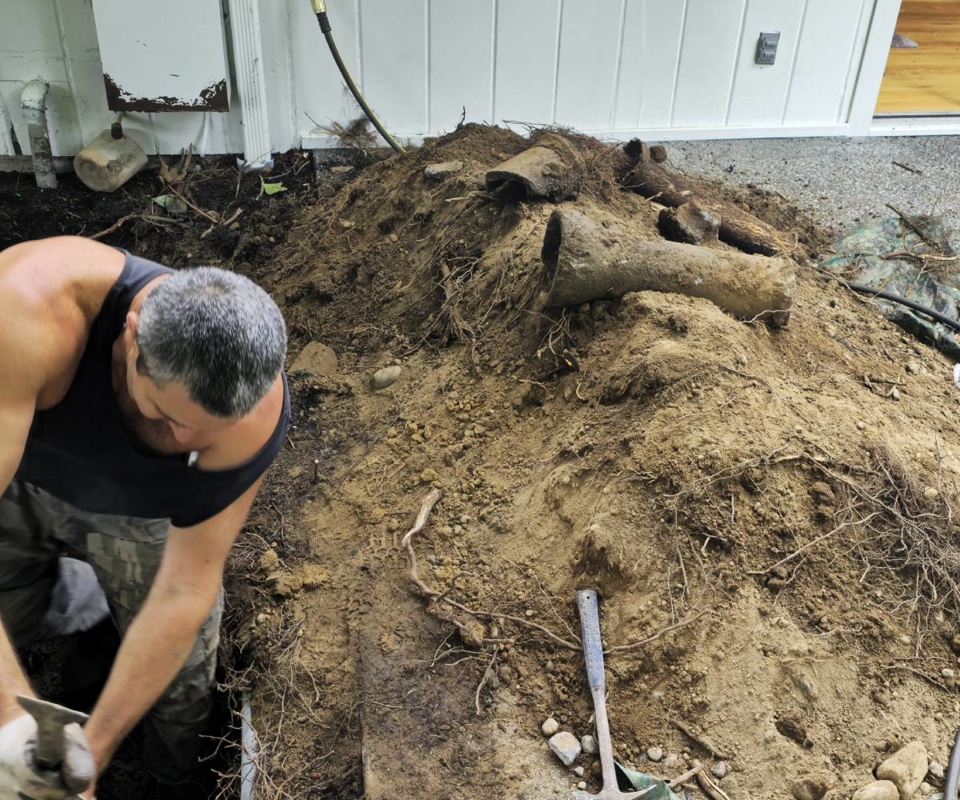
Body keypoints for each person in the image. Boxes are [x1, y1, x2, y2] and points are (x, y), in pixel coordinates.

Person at [0, 236, 290, 798]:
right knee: (13, 611)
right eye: (164, 416)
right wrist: (13, 722)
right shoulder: (24, 313)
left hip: (140, 513)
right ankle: (82, 609)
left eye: (203, 435)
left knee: (182, 679)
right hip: (16, 476)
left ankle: (170, 780)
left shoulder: (254, 409)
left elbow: (185, 588)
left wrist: (90, 757)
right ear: (131, 335)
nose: (182, 443)